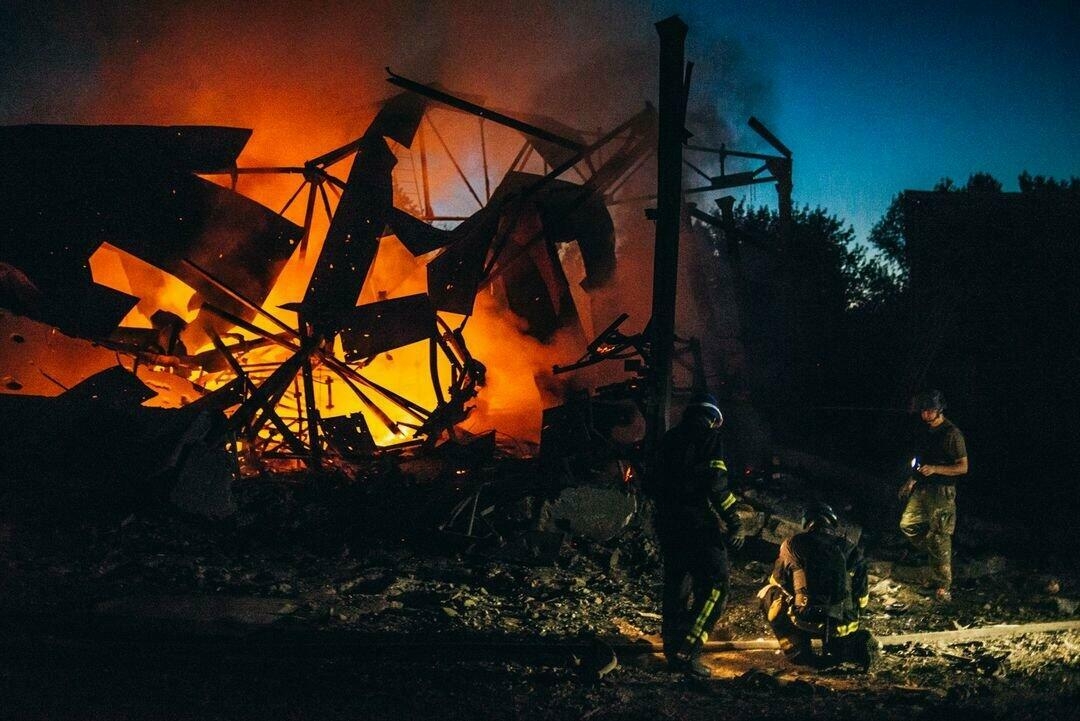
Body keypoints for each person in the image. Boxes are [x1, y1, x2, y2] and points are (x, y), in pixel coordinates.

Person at [648, 393, 745, 678]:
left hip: (667, 523)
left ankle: (672, 650)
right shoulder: (709, 436)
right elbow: (716, 483)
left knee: (677, 585)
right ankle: (687, 651)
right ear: (713, 418)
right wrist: (734, 520)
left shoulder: (668, 439)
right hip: (695, 522)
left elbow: (650, 483)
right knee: (716, 584)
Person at [757, 502, 878, 670]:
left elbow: (778, 580)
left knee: (768, 592)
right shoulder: (850, 548)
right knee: (842, 628)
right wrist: (854, 613)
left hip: (805, 620)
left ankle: (797, 649)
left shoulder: (792, 544)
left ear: (807, 523)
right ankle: (844, 647)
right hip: (843, 624)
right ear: (832, 523)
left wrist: (801, 593)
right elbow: (862, 593)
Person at [898, 389, 968, 602]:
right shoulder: (927, 432)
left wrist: (936, 469)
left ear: (939, 410)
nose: (924, 415)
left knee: (940, 535)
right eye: (923, 411)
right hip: (923, 488)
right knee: (908, 525)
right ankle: (939, 557)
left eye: (929, 411)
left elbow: (963, 467)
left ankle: (943, 585)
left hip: (942, 491)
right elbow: (921, 461)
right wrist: (911, 481)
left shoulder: (951, 434)